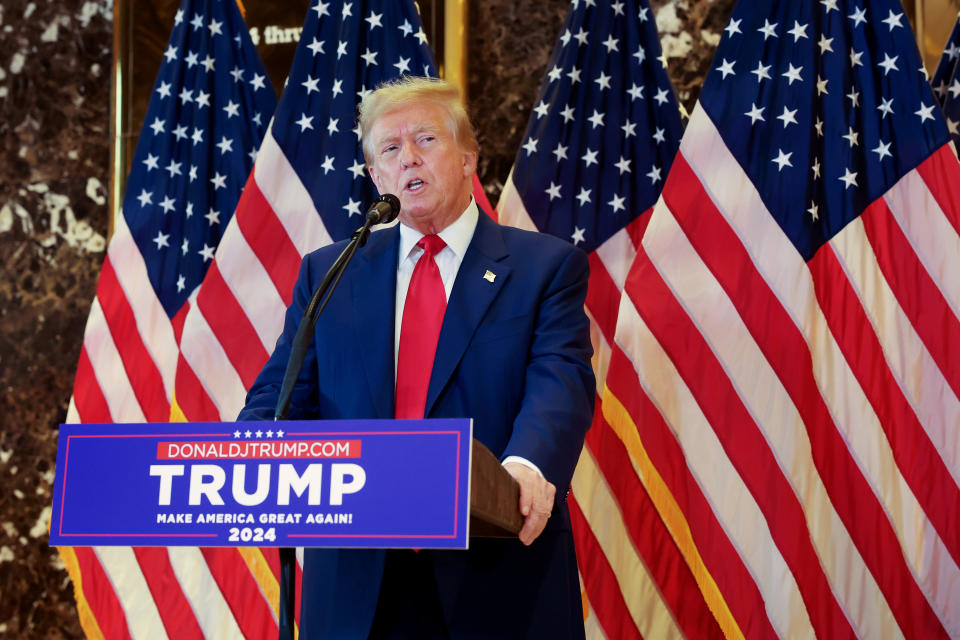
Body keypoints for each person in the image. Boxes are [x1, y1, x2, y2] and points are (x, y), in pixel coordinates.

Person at [238, 76, 595, 639]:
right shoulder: (332, 271)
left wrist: (526, 467)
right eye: (390, 149)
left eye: (426, 139)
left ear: (467, 159)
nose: (409, 158)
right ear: (377, 177)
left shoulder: (544, 268)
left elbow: (561, 380)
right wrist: (244, 455)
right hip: (358, 576)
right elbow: (281, 392)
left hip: (492, 564)